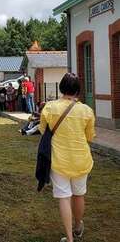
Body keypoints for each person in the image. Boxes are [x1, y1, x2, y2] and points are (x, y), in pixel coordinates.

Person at [38, 73, 95, 242]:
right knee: (79, 194)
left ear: (61, 87)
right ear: (78, 90)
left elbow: (43, 130)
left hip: (58, 160)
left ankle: (69, 238)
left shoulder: (49, 107)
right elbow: (90, 136)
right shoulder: (86, 110)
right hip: (81, 159)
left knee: (64, 197)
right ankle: (78, 226)